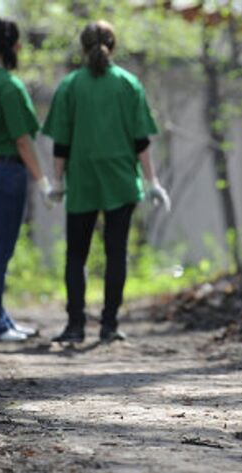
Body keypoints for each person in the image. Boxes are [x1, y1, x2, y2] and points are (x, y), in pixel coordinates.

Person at [42, 20, 170, 344]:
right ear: (112, 46)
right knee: (116, 253)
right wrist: (152, 181)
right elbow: (141, 140)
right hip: (120, 181)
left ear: (82, 47)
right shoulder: (128, 84)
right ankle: (109, 325)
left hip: (83, 179)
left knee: (76, 255)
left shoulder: (70, 85)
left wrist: (56, 182)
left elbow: (62, 144)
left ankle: (74, 326)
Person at [0, 18, 53, 342]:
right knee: (1, 249)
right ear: (15, 46)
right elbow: (23, 140)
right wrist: (43, 181)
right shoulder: (9, 85)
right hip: (9, 172)